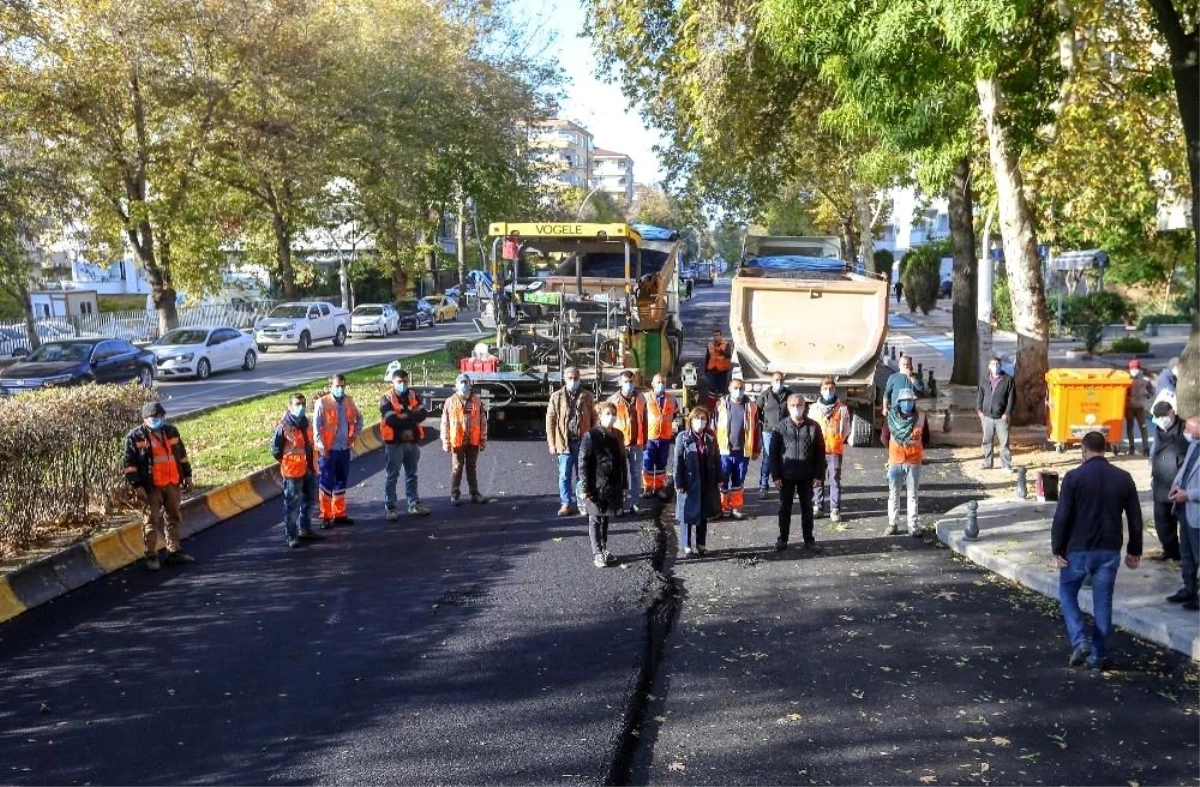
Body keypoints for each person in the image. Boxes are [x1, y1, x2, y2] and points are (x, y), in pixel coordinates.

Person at [1052, 431, 1143, 670]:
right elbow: (1135, 518)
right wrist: (1135, 549)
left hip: (1078, 548)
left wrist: (1057, 548)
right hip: (1109, 549)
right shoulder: (1124, 478)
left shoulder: (1073, 477)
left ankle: (1080, 640)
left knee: (1067, 592)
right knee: (1103, 602)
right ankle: (1099, 655)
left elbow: (1063, 516)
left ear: (1084, 449)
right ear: (1105, 448)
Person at [123, 401, 194, 570]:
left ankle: (174, 552)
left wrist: (188, 475)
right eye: (153, 417)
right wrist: (137, 485)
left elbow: (181, 456)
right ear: (144, 418)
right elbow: (129, 464)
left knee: (173, 517)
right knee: (151, 520)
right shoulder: (135, 437)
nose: (157, 420)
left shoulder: (171, 432)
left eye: (160, 417)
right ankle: (151, 555)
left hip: (172, 482)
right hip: (151, 487)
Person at [769, 394, 826, 552]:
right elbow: (773, 454)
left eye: (800, 405)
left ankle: (809, 540)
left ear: (805, 406)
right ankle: (782, 539)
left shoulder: (814, 427)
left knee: (807, 509)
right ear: (788, 407)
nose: (797, 408)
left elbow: (820, 453)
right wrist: (776, 476)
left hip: (807, 476)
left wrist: (818, 475)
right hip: (786, 476)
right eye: (793, 405)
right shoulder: (780, 427)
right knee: (784, 509)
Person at [579, 402, 628, 568]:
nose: (611, 417)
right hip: (596, 484)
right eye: (608, 413)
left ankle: (604, 548)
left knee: (606, 516)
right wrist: (585, 487)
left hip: (612, 483)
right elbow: (583, 462)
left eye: (614, 413)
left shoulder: (617, 436)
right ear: (599, 415)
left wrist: (624, 485)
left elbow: (622, 461)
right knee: (595, 518)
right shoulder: (591, 436)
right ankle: (597, 552)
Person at [271, 393, 324, 548]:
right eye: (297, 404)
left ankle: (305, 529)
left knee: (310, 501)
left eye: (302, 404)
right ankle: (291, 535)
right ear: (290, 406)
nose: (300, 407)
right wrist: (288, 462)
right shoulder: (283, 427)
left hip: (310, 468)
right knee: (292, 505)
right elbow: (275, 450)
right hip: (293, 472)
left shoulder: (306, 423)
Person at [313, 374, 363, 528]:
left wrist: (353, 436)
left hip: (343, 448)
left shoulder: (349, 401)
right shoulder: (323, 402)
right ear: (331, 387)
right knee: (326, 482)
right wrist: (321, 447)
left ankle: (339, 514)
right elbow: (316, 428)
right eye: (337, 386)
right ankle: (326, 516)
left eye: (342, 386)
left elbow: (359, 419)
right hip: (328, 450)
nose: (340, 389)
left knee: (341, 482)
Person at [380, 368, 430, 519]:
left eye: (405, 381)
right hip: (395, 443)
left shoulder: (413, 395)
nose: (403, 384)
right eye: (399, 382)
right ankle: (390, 508)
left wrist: (405, 416)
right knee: (392, 476)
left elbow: (422, 414)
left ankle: (414, 504)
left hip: (412, 443)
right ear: (393, 382)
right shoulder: (386, 398)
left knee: (412, 475)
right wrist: (408, 423)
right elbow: (391, 420)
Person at [547, 367, 594, 516]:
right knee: (564, 475)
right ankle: (566, 503)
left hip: (582, 442)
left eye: (575, 378)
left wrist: (593, 439)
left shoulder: (587, 396)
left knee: (582, 475)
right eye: (570, 378)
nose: (573, 381)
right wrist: (552, 443)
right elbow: (550, 421)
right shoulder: (556, 397)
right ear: (564, 379)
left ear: (579, 379)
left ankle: (582, 503)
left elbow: (594, 418)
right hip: (564, 443)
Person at [674, 406, 721, 558]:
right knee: (686, 514)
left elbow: (716, 459)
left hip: (706, 480)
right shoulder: (683, 437)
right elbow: (678, 461)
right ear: (691, 420)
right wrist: (678, 482)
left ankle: (701, 544)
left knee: (703, 513)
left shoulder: (710, 437)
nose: (700, 422)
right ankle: (686, 546)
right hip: (689, 480)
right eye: (697, 418)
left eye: (703, 419)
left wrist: (720, 477)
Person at [714, 378, 761, 520]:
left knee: (738, 481)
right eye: (735, 387)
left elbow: (757, 429)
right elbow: (713, 426)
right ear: (729, 388)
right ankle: (722, 508)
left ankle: (736, 507)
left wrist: (756, 449)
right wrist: (712, 449)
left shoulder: (751, 407)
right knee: (722, 481)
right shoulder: (720, 405)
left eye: (741, 388)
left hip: (743, 451)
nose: (738, 390)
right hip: (724, 451)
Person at [886, 388, 930, 537]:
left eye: (910, 400)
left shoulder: (921, 417)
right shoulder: (891, 418)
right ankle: (893, 524)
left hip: (914, 460)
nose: (908, 403)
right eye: (905, 401)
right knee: (894, 493)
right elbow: (884, 437)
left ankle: (913, 526)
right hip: (895, 460)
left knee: (912, 494)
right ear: (899, 402)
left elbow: (926, 438)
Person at [1168, 415, 1200, 608]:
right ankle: (1188, 588)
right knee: (1186, 553)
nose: (1185, 432)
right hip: (1184, 509)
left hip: (1196, 510)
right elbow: (1184, 470)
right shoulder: (1193, 446)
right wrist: (1176, 484)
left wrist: (1188, 494)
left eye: (1188, 429)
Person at [442, 374, 489, 505]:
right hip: (457, 441)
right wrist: (446, 441)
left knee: (471, 467)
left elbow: (483, 421)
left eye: (466, 383)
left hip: (473, 440)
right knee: (457, 467)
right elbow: (445, 423)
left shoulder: (476, 401)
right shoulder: (450, 402)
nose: (464, 385)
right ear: (456, 385)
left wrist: (483, 439)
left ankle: (474, 493)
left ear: (470, 384)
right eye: (461, 383)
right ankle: (454, 494)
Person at [810, 377, 851, 522]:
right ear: (821, 390)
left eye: (831, 389)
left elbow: (846, 430)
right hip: (818, 451)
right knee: (817, 479)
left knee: (834, 480)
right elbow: (810, 429)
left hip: (835, 450)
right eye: (826, 389)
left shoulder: (843, 408)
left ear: (835, 390)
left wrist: (837, 440)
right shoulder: (814, 408)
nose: (828, 392)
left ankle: (835, 509)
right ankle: (818, 506)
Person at [1150, 400, 1186, 561]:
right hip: (1161, 484)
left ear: (1172, 413)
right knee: (1162, 523)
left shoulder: (1184, 430)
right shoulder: (1158, 430)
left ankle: (1185, 555)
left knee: (1185, 524)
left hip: (1180, 485)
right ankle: (1170, 550)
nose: (1160, 420)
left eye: (1163, 416)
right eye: (1157, 417)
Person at [608, 370, 646, 515]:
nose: (629, 385)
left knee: (636, 474)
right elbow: (608, 423)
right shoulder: (613, 401)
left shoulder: (641, 399)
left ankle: (635, 503)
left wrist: (645, 441)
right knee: (619, 475)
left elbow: (645, 420)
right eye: (626, 382)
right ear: (619, 383)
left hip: (637, 443)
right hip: (619, 444)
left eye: (631, 382)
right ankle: (619, 504)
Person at [642, 373, 678, 500]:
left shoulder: (671, 398)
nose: (661, 384)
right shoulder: (645, 398)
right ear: (652, 384)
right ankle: (648, 486)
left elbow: (674, 414)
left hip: (665, 436)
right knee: (648, 462)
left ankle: (659, 487)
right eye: (658, 382)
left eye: (662, 382)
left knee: (662, 463)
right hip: (650, 436)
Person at [755, 371, 791, 499]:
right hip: (768, 431)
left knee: (784, 458)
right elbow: (757, 410)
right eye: (776, 380)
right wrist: (764, 422)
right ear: (771, 381)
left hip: (785, 432)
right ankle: (763, 487)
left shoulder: (789, 394)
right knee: (768, 459)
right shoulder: (764, 395)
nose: (779, 383)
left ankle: (783, 486)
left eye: (781, 380)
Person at [977, 355, 1016, 471]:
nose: (995, 367)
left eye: (997, 364)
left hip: (1001, 417)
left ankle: (1006, 465)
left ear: (1001, 366)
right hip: (987, 416)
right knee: (987, 441)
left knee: (1004, 442)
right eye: (993, 364)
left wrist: (1007, 413)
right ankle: (987, 463)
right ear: (989, 366)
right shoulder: (984, 380)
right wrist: (979, 410)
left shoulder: (1008, 380)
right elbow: (980, 395)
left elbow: (1011, 398)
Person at [1124, 359, 1154, 456]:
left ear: (1139, 369)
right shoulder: (1125, 380)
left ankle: (1146, 449)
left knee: (1143, 427)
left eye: (1136, 368)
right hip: (1129, 408)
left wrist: (1146, 395)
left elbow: (1151, 392)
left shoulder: (1145, 381)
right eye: (1132, 368)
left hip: (1140, 408)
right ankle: (1131, 447)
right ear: (1129, 369)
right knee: (1130, 428)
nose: (1134, 370)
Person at [704, 328, 733, 408]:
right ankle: (711, 406)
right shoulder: (710, 345)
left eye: (717, 335)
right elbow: (707, 357)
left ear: (721, 336)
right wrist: (705, 369)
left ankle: (721, 406)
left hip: (722, 371)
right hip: (712, 370)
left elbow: (728, 355)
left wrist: (720, 350)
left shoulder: (726, 344)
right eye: (714, 335)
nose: (716, 337)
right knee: (711, 389)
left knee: (721, 390)